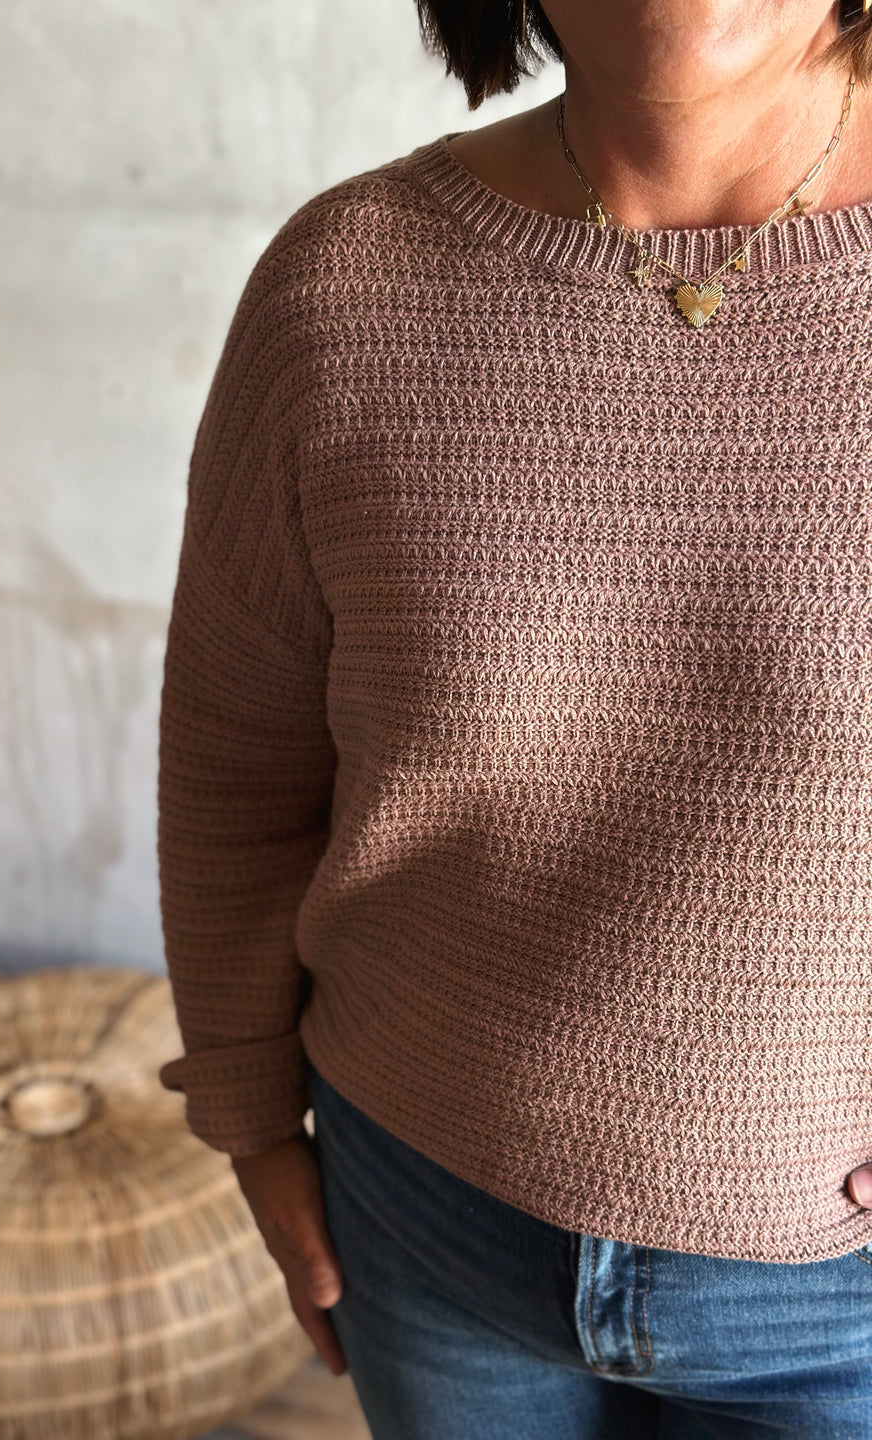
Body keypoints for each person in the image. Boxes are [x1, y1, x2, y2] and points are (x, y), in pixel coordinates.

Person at [156, 2, 872, 1434]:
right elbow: (238, 758)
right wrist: (247, 1119)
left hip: (837, 1292)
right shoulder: (342, 286)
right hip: (421, 1214)